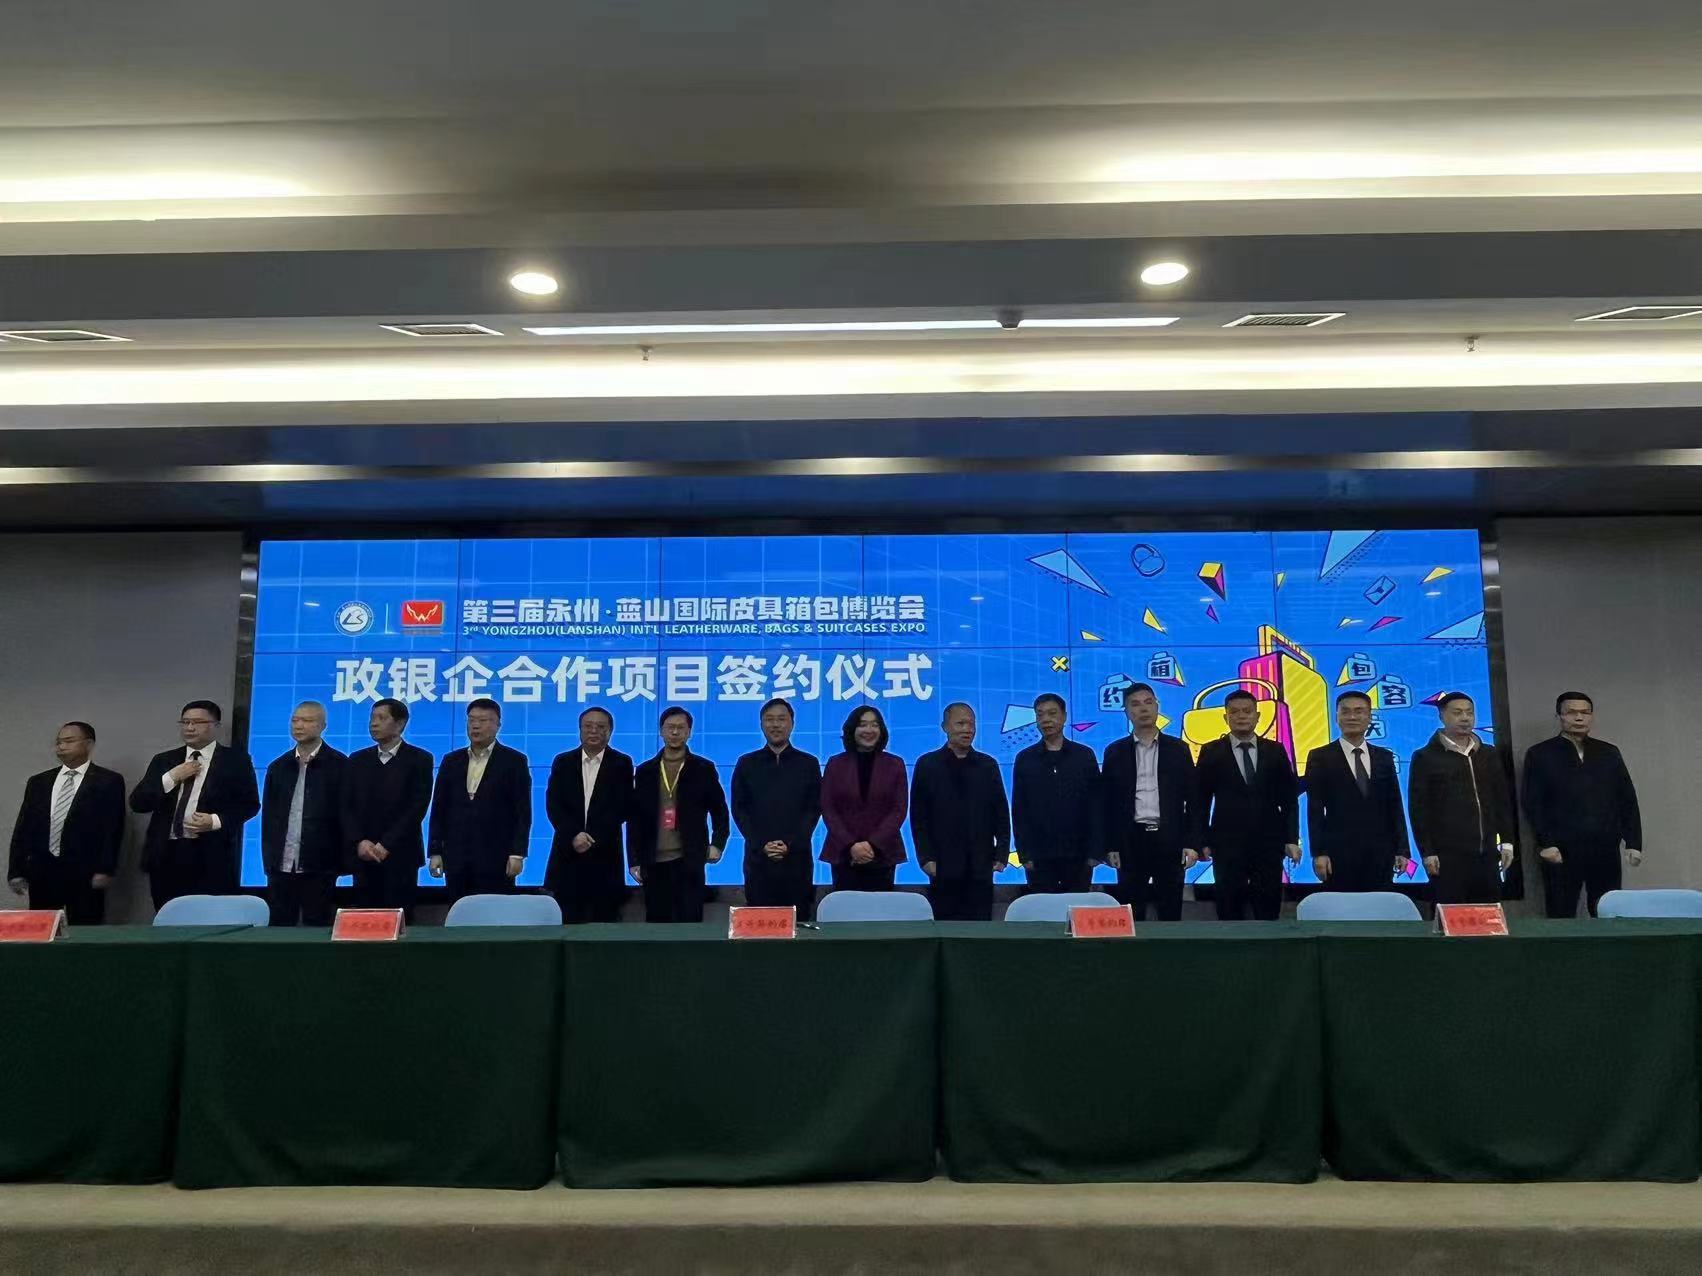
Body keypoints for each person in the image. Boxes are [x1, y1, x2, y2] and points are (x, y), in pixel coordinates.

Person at [1521, 691, 1643, 918]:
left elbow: (1627, 798)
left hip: (1605, 846)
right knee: (1561, 912)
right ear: (1559, 717)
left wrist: (1634, 842)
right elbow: (1533, 802)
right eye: (1571, 712)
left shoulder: (1608, 752)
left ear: (1591, 716)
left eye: (1585, 713)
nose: (1579, 718)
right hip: (1561, 849)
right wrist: (1545, 843)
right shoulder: (1541, 754)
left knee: (1608, 911)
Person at [130, 700, 259, 910]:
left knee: (207, 917)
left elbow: (249, 805)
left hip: (211, 855)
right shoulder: (164, 760)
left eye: (198, 722)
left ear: (216, 726)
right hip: (166, 855)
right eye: (185, 722)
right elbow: (138, 803)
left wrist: (214, 821)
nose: (190, 728)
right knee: (167, 916)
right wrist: (171, 777)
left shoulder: (236, 760)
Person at [1193, 690, 1300, 920]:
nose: (1241, 716)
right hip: (1226, 844)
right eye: (1234, 712)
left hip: (1269, 843)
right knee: (1229, 909)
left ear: (1258, 716)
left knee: (1268, 908)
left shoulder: (1275, 750)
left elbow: (1289, 800)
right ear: (1226, 718)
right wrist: (1201, 841)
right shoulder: (1211, 751)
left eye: (1247, 711)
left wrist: (1291, 839)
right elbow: (1200, 801)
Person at [6, 721, 126, 924]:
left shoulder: (108, 781)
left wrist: (106, 869)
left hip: (86, 872)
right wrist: (16, 870)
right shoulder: (39, 782)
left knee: (86, 929)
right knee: (43, 928)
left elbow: (113, 828)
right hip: (43, 870)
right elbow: (23, 827)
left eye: (69, 741)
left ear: (88, 744)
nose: (61, 746)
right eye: (58, 742)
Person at [1407, 692, 1516, 905]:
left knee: (1488, 914)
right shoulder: (1425, 757)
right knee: (1452, 915)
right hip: (1447, 857)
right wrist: (1427, 852)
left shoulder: (1488, 754)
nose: (1465, 718)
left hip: (1487, 855)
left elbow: (1501, 800)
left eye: (1469, 713)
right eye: (1457, 713)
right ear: (1442, 716)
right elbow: (1418, 809)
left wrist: (1507, 842)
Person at [1101, 683, 1198, 921]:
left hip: (1170, 838)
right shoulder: (1115, 752)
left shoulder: (1179, 749)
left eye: (1148, 702)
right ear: (1127, 712)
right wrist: (1110, 846)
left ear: (1157, 706)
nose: (1143, 709)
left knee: (1170, 909)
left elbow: (1193, 799)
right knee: (1132, 912)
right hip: (1131, 840)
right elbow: (1107, 804)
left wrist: (1191, 842)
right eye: (1135, 704)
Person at [910, 702, 1010, 921]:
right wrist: (925, 858)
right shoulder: (927, 765)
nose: (967, 729)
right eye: (961, 724)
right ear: (945, 727)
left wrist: (1002, 854)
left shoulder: (988, 765)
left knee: (980, 927)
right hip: (942, 864)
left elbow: (1001, 814)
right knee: (945, 926)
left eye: (971, 724)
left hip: (981, 864)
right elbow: (919, 818)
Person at [1303, 690, 1411, 891]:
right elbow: (1315, 809)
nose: (1352, 717)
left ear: (1369, 717)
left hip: (1381, 852)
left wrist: (1402, 849)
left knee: (1379, 905)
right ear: (1337, 717)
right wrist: (1319, 852)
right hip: (1338, 853)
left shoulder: (1384, 757)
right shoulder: (1320, 757)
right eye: (1345, 711)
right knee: (1342, 907)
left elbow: (1395, 805)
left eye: (1359, 711)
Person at [629, 706, 729, 923]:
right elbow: (635, 819)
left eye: (681, 728)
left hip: (690, 859)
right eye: (670, 727)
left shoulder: (703, 768)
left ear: (689, 732)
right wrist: (634, 860)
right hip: (653, 862)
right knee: (657, 925)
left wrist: (717, 844)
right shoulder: (645, 771)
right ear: (661, 731)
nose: (675, 732)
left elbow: (720, 811)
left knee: (690, 924)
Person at [428, 698, 532, 902]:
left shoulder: (514, 761)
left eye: (483, 720)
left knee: (494, 912)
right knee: (458, 911)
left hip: (497, 857)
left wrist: (517, 853)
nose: (475, 726)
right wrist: (435, 851)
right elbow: (439, 809)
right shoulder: (451, 761)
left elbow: (522, 811)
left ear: (498, 725)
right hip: (456, 857)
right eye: (471, 720)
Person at [341, 697, 433, 920]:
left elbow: (417, 807)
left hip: (401, 854)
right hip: (364, 855)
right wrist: (359, 841)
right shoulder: (357, 760)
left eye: (381, 718)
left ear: (400, 724)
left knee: (398, 921)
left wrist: (387, 844)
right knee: (364, 919)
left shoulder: (419, 759)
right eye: (372, 718)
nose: (374, 723)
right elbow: (345, 805)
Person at [259, 701, 348, 927]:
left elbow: (346, 815)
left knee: (317, 925)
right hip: (281, 865)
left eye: (307, 720)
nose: (298, 725)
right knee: (279, 924)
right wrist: (269, 860)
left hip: (321, 864)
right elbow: (269, 819)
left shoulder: (340, 765)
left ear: (323, 726)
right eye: (295, 720)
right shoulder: (278, 766)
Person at [732, 698, 822, 920]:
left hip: (797, 859)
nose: (775, 725)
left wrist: (789, 844)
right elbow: (740, 810)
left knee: (798, 923)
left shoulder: (808, 763)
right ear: (761, 724)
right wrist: (762, 843)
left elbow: (813, 810)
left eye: (781, 719)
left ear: (792, 723)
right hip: (758, 858)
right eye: (769, 719)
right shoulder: (746, 763)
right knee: (760, 923)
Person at [544, 706, 633, 923]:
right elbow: (554, 805)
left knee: (604, 923)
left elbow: (623, 806)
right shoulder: (563, 762)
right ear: (580, 729)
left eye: (600, 727)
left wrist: (592, 837)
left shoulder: (621, 763)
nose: (594, 731)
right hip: (567, 853)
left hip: (605, 854)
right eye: (588, 726)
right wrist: (574, 835)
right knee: (567, 922)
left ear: (610, 731)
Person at [1011, 693, 1102, 893]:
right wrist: (1024, 854)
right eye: (1040, 714)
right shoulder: (1025, 759)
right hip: (1039, 856)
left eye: (1052, 713)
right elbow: (1019, 810)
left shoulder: (1084, 756)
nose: (1046, 719)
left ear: (1064, 716)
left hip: (1079, 854)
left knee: (1076, 907)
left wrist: (1096, 850)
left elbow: (1096, 805)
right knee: (1043, 908)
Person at [819, 705, 909, 891]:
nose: (869, 730)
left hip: (883, 853)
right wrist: (851, 845)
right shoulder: (835, 764)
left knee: (881, 907)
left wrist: (873, 844)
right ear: (852, 730)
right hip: (844, 853)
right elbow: (828, 808)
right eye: (862, 725)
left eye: (875, 725)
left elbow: (899, 809)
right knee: (845, 907)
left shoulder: (895, 764)